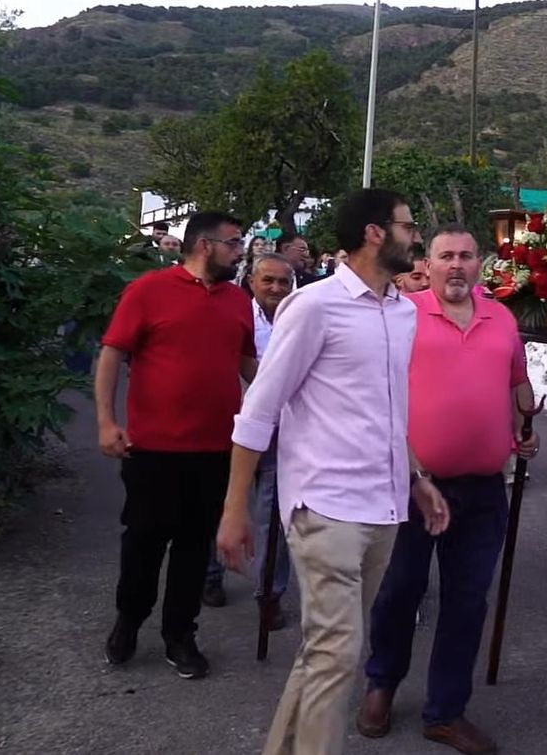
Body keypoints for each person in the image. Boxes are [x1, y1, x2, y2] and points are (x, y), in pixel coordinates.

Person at [217, 189, 449, 755]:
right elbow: (260, 409)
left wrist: (416, 476)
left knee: (325, 651)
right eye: (407, 226)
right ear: (375, 233)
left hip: (385, 506)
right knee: (341, 653)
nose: (414, 237)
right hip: (325, 507)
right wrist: (234, 510)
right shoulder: (314, 306)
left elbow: (389, 413)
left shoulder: (401, 311)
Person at [358, 225, 539, 755]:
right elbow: (375, 391)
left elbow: (516, 382)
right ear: (428, 264)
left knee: (466, 602)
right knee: (398, 592)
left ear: (479, 264)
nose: (456, 265)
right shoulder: (402, 314)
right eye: (445, 257)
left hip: (483, 490)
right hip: (411, 485)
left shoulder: (501, 318)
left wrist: (524, 423)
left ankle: (445, 712)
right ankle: (381, 686)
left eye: (465, 256)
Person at [96, 211, 257, 679]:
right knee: (144, 542)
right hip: (153, 451)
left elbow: (250, 367)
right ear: (204, 245)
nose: (240, 250)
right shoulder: (148, 290)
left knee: (193, 547)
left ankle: (180, 635)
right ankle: (128, 620)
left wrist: (290, 404)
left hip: (215, 451)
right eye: (234, 242)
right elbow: (111, 355)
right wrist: (107, 423)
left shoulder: (236, 300)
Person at [204, 252, 299, 611]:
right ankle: (211, 576)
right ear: (251, 282)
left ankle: (269, 593)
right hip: (235, 427)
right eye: (268, 281)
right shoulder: (237, 315)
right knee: (224, 504)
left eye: (283, 282)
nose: (276, 288)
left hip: (283, 430)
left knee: (273, 515)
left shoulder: (301, 317)